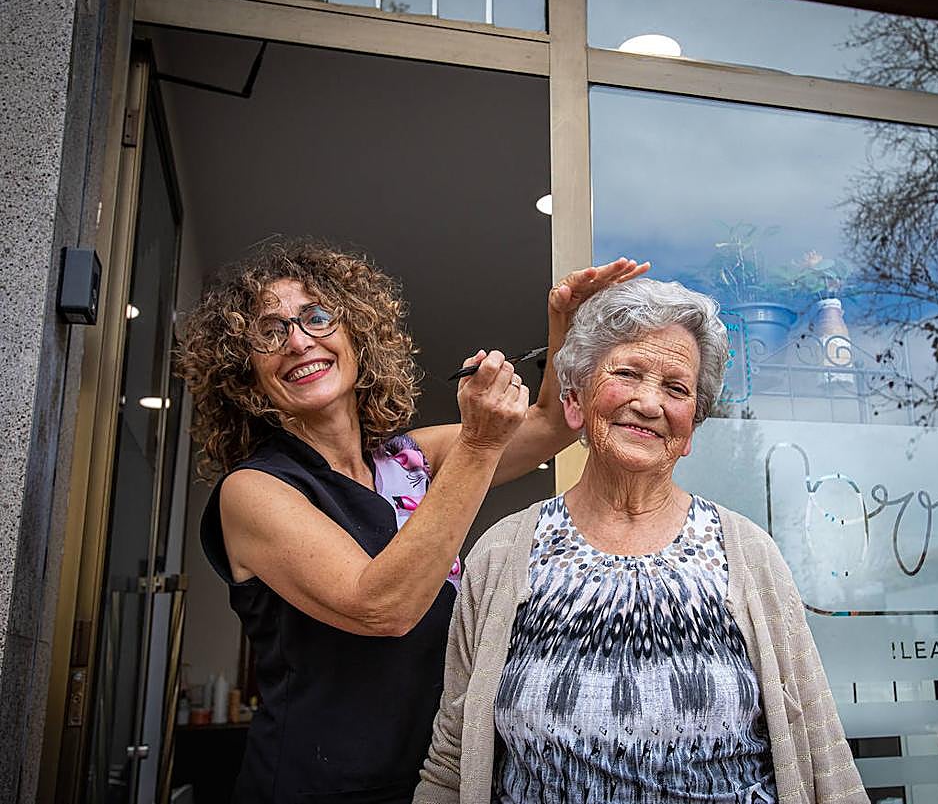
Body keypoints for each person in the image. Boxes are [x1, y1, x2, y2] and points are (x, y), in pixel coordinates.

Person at [176, 238, 647, 803]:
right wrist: (478, 444)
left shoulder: (405, 459)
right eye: (270, 333)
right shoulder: (253, 490)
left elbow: (551, 424)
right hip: (320, 788)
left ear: (356, 335)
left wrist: (566, 322)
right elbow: (383, 607)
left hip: (433, 779)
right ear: (245, 372)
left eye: (316, 317)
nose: (298, 342)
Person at [414, 279, 868, 804]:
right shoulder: (502, 553)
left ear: (690, 429)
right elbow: (452, 757)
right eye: (627, 373)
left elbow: (820, 742)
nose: (649, 403)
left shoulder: (746, 551)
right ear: (575, 403)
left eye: (676, 388)